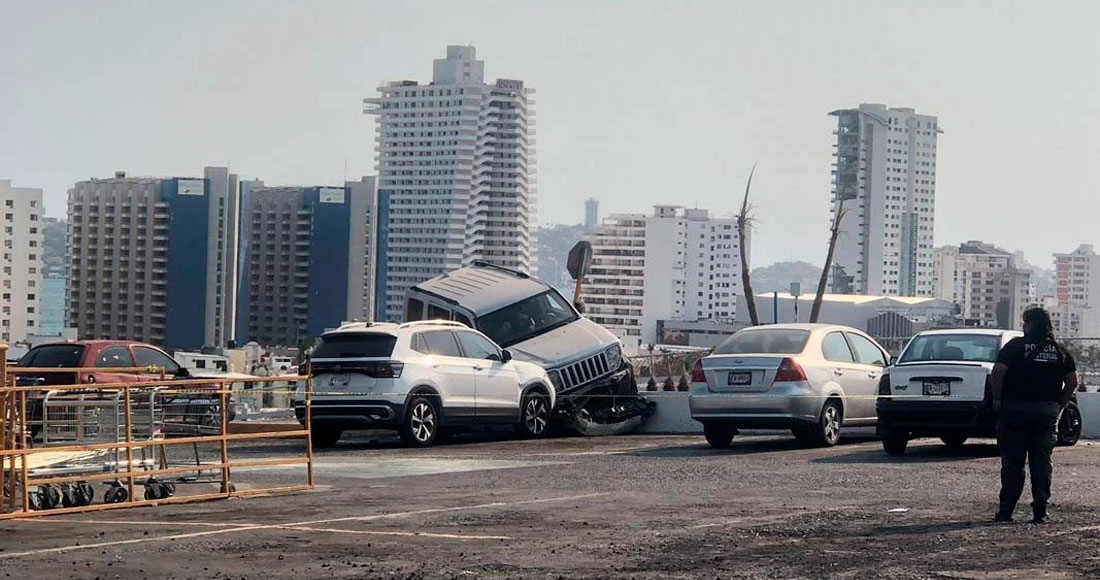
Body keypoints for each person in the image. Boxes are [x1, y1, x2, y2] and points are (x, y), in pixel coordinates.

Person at [989, 307, 1078, 523]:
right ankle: (1040, 511)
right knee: (1041, 462)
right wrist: (1059, 405)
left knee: (1013, 461)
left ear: (1029, 324)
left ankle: (1006, 511)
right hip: (1046, 411)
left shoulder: (1015, 347)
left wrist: (998, 399)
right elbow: (1072, 381)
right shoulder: (1059, 350)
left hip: (1014, 409)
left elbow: (998, 371)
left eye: (1025, 322)